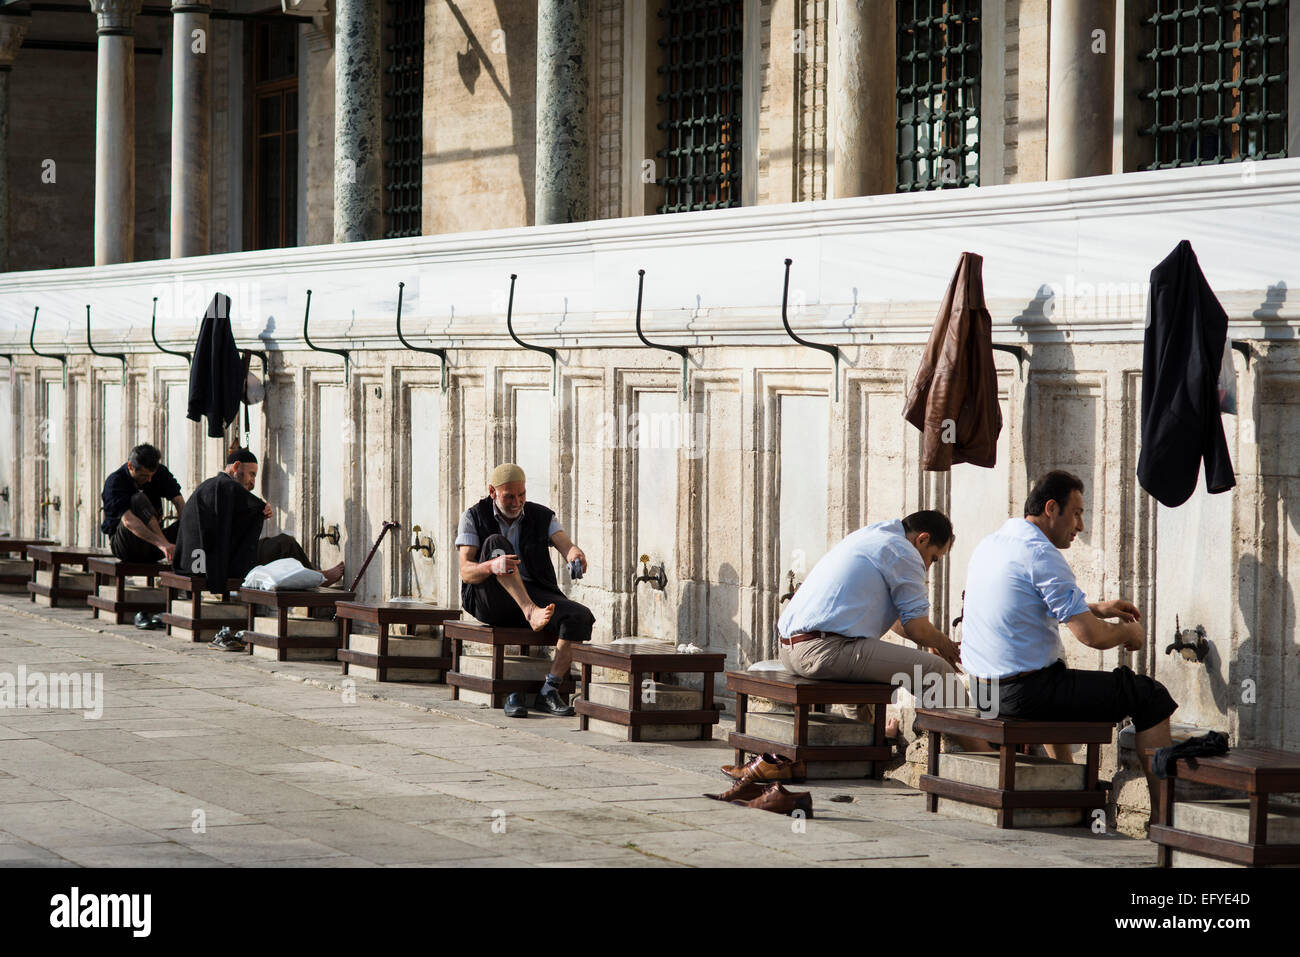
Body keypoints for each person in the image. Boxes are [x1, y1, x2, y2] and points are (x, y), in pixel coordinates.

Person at [959, 469, 1177, 815]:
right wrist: (1128, 633)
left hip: (983, 690)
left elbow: (1025, 604)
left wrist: (1097, 608)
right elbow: (1091, 637)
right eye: (1076, 513)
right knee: (1150, 696)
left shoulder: (993, 543)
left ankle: (1068, 778)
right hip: (1021, 694)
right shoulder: (1042, 554)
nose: (1080, 526)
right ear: (1051, 509)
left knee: (1055, 671)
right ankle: (1165, 815)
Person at [776, 510, 989, 753]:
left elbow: (901, 622)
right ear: (922, 539)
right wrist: (944, 643)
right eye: (933, 558)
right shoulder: (904, 552)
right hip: (822, 650)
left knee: (866, 655)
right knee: (936, 671)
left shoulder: (874, 535)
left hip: (791, 648)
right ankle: (980, 753)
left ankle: (867, 740)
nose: (928, 567)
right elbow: (917, 628)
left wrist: (932, 638)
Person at [456, 463, 595, 718]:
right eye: (509, 496)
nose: (517, 501)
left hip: (534, 593)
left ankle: (549, 691)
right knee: (496, 544)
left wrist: (575, 554)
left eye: (521, 495)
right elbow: (466, 570)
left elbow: (566, 545)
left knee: (579, 616)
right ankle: (529, 610)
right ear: (492, 492)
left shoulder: (541, 515)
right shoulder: (473, 516)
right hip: (491, 599)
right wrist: (491, 566)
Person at [222, 448, 345, 585]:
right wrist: (255, 510)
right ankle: (319, 578)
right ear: (236, 467)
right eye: (252, 474)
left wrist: (257, 515)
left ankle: (312, 576)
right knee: (285, 544)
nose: (253, 482)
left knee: (280, 545)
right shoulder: (225, 487)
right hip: (234, 559)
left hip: (235, 554)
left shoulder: (222, 487)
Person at [101, 444, 185, 564]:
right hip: (127, 546)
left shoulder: (160, 473)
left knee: (192, 518)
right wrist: (162, 544)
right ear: (130, 467)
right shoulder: (115, 482)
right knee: (138, 499)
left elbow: (179, 501)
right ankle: (164, 545)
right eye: (144, 476)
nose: (149, 480)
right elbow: (128, 521)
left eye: (152, 475)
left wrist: (185, 527)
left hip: (154, 546)